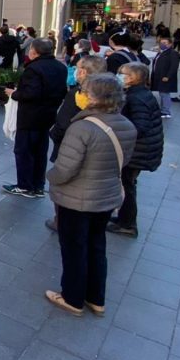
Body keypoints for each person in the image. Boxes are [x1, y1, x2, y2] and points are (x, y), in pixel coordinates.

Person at [45, 74, 137, 317]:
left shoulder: (82, 127)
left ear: (94, 97)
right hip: (106, 197)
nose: (81, 95)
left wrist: (50, 177)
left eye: (85, 91)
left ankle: (72, 298)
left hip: (77, 198)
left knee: (74, 247)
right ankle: (96, 298)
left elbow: (65, 169)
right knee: (97, 245)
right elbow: (124, 161)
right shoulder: (127, 125)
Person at [44, 55, 107, 232]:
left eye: (78, 68)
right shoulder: (110, 93)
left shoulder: (78, 95)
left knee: (66, 185)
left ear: (84, 72)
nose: (75, 71)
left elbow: (62, 123)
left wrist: (55, 135)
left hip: (71, 147)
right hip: (98, 151)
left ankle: (62, 221)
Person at [3, 38, 69, 198]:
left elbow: (31, 94)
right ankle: (38, 185)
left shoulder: (33, 69)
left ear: (34, 51)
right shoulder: (60, 67)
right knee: (40, 151)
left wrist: (15, 94)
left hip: (30, 116)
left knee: (24, 151)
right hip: (48, 116)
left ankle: (25, 185)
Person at [108, 63, 164, 237]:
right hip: (140, 150)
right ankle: (124, 217)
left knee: (127, 185)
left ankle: (128, 223)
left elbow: (140, 126)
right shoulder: (138, 94)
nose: (119, 76)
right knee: (127, 184)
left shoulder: (136, 98)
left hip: (137, 152)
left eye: (122, 74)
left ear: (132, 78)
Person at [150, 37, 180, 118]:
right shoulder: (161, 52)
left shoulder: (173, 53)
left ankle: (166, 111)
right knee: (162, 93)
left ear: (170, 44)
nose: (162, 44)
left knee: (165, 93)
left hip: (165, 77)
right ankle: (163, 109)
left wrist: (168, 76)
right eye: (161, 42)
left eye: (165, 43)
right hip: (159, 76)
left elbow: (174, 66)